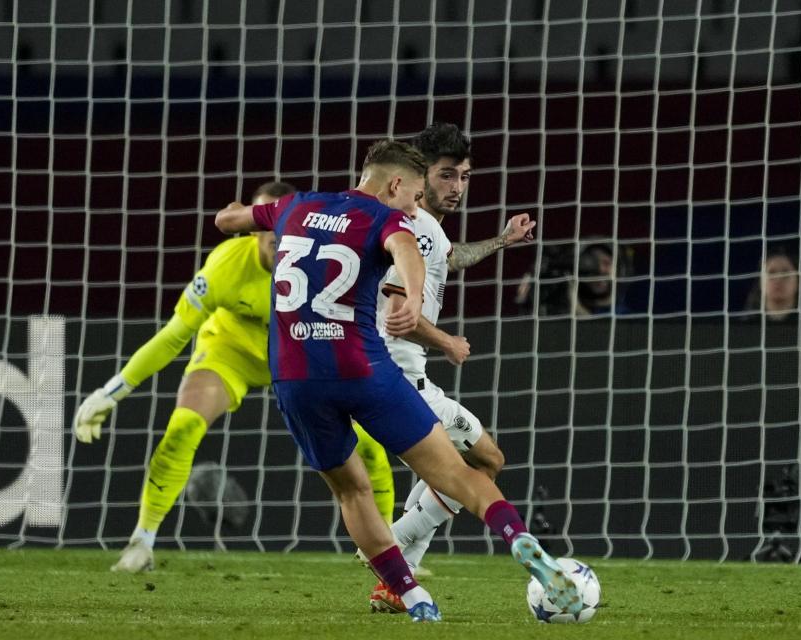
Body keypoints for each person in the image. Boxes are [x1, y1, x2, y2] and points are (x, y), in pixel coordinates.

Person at [214, 139, 581, 622]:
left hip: (296, 376)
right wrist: (412, 296)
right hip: (366, 368)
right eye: (411, 198)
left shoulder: (297, 204)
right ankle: (517, 537)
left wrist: (242, 212)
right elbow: (405, 247)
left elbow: (227, 221)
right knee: (461, 472)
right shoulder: (388, 218)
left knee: (351, 491)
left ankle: (411, 596)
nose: (414, 209)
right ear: (395, 185)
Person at [73, 180, 396, 571]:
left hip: (302, 357)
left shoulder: (328, 265)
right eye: (264, 222)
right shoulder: (227, 265)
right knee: (183, 428)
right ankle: (141, 542)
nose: (274, 233)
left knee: (368, 447)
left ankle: (392, 545)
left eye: (282, 221)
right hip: (231, 354)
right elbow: (174, 336)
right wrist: (112, 392)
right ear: (249, 224)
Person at [365, 122, 537, 613]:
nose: (457, 187)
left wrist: (501, 242)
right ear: (419, 173)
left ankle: (394, 582)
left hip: (393, 375)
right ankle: (388, 548)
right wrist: (447, 342)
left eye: (464, 176)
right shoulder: (409, 225)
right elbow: (399, 315)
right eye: (446, 176)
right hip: (396, 377)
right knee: (486, 463)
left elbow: (448, 257)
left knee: (463, 466)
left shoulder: (425, 229)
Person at [516, 241, 630, 316]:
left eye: (604, 280)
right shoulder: (555, 272)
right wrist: (524, 301)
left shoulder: (617, 316)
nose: (600, 271)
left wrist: (577, 313)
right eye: (606, 263)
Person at [744, 248, 799, 323]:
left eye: (786, 273)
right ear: (760, 281)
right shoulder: (741, 324)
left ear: (798, 281)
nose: (778, 279)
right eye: (771, 273)